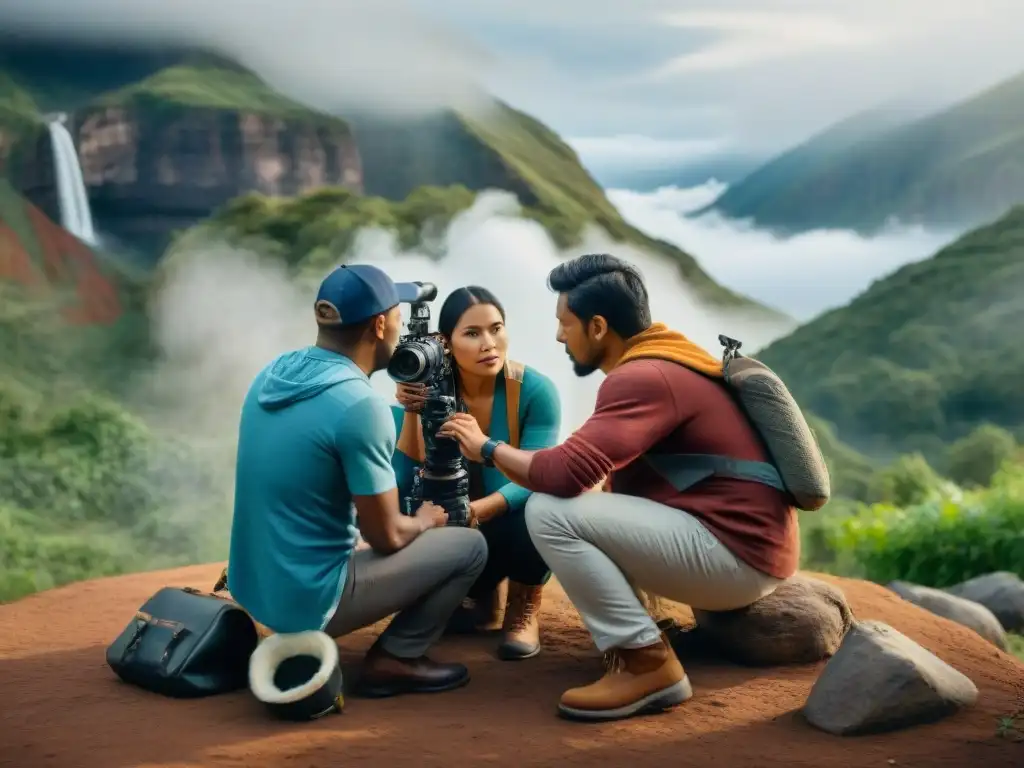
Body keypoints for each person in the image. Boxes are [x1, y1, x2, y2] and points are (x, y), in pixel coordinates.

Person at [438, 253, 796, 722]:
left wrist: (486, 448)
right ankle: (642, 636)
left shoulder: (644, 377)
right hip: (742, 547)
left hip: (735, 558)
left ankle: (645, 663)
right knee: (588, 501)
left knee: (549, 508)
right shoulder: (666, 357)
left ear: (599, 327)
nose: (559, 336)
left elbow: (564, 474)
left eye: (566, 324)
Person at [226, 263, 488, 699]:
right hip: (310, 603)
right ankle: (397, 658)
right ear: (379, 325)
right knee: (470, 547)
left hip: (253, 590)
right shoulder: (359, 406)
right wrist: (424, 520)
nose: (403, 327)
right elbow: (385, 536)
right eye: (399, 316)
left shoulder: (274, 374)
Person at [391, 286, 561, 661]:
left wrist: (476, 511)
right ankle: (477, 597)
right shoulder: (431, 386)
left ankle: (523, 604)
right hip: (447, 530)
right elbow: (406, 478)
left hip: (506, 529)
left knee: (544, 502)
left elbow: (538, 473)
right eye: (472, 333)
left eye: (496, 328)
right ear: (446, 344)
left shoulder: (535, 391)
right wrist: (412, 410)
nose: (489, 343)